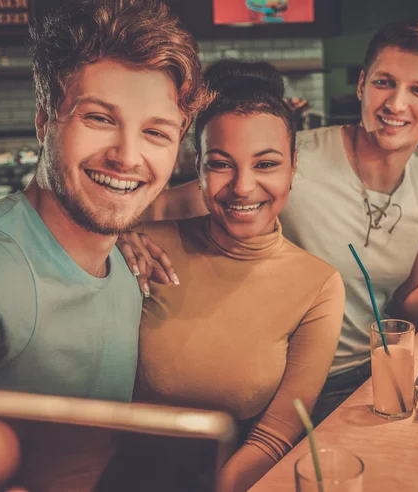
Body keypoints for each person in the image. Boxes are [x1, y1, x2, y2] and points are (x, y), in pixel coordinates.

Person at [127, 21, 418, 426]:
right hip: (284, 388)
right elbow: (164, 205)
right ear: (362, 84)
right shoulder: (289, 162)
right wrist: (121, 235)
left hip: (372, 377)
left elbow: (409, 303)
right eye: (385, 82)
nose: (397, 105)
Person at [0, 0, 209, 489]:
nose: (126, 156)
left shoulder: (116, 256)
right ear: (45, 122)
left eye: (155, 132)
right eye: (98, 118)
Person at [114, 59, 345, 491]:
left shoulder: (319, 285)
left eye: (266, 164)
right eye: (221, 164)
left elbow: (277, 430)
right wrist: (109, 238)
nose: (242, 186)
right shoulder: (139, 242)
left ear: (294, 166)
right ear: (196, 167)